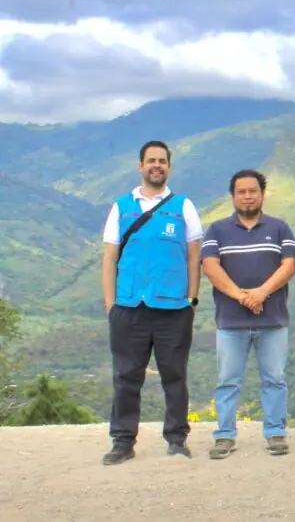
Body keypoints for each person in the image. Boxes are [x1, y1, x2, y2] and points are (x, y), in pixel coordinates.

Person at [99, 140, 203, 465]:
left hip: (173, 308)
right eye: (151, 160)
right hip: (129, 307)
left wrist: (192, 299)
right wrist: (111, 304)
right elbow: (110, 257)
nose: (157, 165)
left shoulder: (183, 207)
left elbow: (194, 256)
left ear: (168, 167)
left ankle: (177, 440)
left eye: (162, 161)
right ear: (141, 166)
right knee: (126, 377)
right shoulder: (122, 207)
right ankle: (122, 442)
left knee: (174, 376)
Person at [201, 170, 295, 459]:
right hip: (231, 321)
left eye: (252, 191)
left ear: (262, 194)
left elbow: (289, 265)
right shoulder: (217, 230)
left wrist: (261, 293)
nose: (247, 197)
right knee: (228, 380)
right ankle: (225, 435)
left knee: (275, 379)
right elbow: (210, 267)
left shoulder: (280, 228)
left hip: (272, 320)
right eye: (241, 192)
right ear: (232, 196)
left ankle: (275, 432)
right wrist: (243, 296)